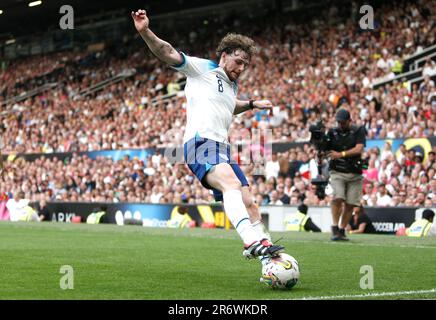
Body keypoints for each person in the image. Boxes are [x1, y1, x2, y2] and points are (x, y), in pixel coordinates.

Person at [131, 9, 284, 260]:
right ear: (224, 56)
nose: (242, 67)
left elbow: (229, 106)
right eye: (238, 61)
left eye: (246, 64)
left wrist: (252, 103)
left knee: (249, 203)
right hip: (200, 144)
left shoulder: (231, 85)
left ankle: (269, 256)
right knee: (231, 185)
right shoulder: (203, 69)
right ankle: (250, 241)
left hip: (221, 148)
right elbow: (167, 52)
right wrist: (145, 31)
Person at [326, 108, 366, 241]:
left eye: (343, 122)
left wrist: (341, 154)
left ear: (350, 121)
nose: (340, 125)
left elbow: (359, 148)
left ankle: (342, 230)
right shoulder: (332, 132)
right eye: (339, 122)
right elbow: (326, 148)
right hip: (337, 171)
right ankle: (334, 227)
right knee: (338, 197)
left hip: (355, 172)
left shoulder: (358, 130)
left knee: (350, 203)